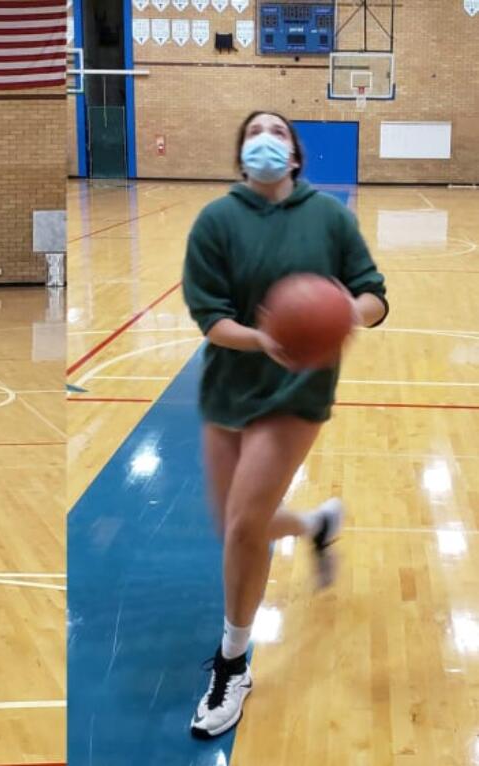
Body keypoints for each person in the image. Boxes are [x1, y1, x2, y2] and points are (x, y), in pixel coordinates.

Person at [182, 110, 388, 738]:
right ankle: (315, 522)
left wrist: (342, 313)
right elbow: (210, 317)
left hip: (298, 389)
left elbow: (375, 293)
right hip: (231, 385)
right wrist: (266, 337)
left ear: (294, 155)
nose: (264, 141)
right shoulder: (215, 221)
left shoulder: (331, 218)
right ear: (241, 156)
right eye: (251, 134)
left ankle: (234, 663)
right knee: (234, 526)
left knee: (245, 524)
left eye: (275, 134)